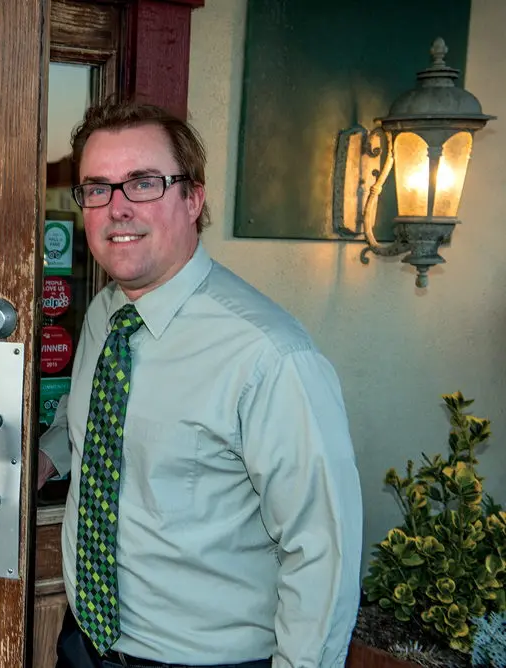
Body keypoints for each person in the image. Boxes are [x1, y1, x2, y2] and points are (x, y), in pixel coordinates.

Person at [37, 99, 364, 668]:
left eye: (141, 183)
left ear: (193, 198)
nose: (116, 208)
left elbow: (322, 555)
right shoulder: (104, 317)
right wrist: (49, 454)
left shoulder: (270, 358)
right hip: (84, 644)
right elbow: (105, 421)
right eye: (97, 188)